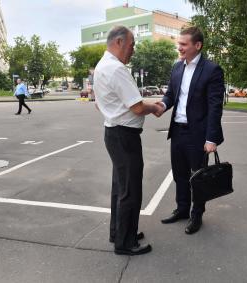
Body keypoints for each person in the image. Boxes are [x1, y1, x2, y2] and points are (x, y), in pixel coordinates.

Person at [93, 25, 161, 255]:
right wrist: (156, 107)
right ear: (119, 42)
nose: (133, 49)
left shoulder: (102, 66)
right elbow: (138, 106)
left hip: (114, 132)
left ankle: (120, 232)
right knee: (130, 190)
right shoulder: (115, 69)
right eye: (132, 44)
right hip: (124, 135)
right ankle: (125, 243)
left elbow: (97, 103)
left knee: (120, 188)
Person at [155, 26, 225, 234]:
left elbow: (215, 107)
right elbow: (170, 94)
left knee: (198, 178)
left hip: (198, 134)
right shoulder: (177, 68)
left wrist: (211, 138)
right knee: (180, 175)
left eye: (183, 44)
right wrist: (161, 106)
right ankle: (182, 210)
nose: (180, 48)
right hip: (177, 131)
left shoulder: (212, 70)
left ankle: (197, 215)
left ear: (197, 45)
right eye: (179, 44)